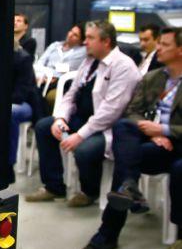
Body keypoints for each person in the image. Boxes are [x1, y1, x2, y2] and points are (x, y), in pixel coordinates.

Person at [80, 27, 182, 249]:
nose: (158, 48)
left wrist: (164, 130)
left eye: (165, 45)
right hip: (156, 144)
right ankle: (128, 189)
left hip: (178, 144)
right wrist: (151, 132)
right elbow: (132, 111)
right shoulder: (154, 77)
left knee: (170, 168)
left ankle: (110, 233)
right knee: (125, 133)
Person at [26, 20, 141, 206]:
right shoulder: (90, 61)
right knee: (44, 127)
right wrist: (60, 118)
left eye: (90, 38)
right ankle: (54, 186)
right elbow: (71, 95)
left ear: (106, 41)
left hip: (106, 128)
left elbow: (110, 112)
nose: (85, 42)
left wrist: (80, 135)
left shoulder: (123, 67)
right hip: (79, 119)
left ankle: (89, 192)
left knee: (84, 150)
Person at [10, 39, 42, 178]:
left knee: (9, 113)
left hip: (24, 103)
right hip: (7, 101)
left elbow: (20, 95)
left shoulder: (23, 59)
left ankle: (8, 164)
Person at [35, 24, 87, 111]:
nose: (70, 35)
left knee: (51, 97)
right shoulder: (55, 45)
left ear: (81, 40)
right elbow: (40, 63)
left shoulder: (82, 52)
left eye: (75, 35)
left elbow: (68, 69)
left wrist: (52, 75)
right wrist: (42, 75)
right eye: (71, 31)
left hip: (61, 84)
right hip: (43, 78)